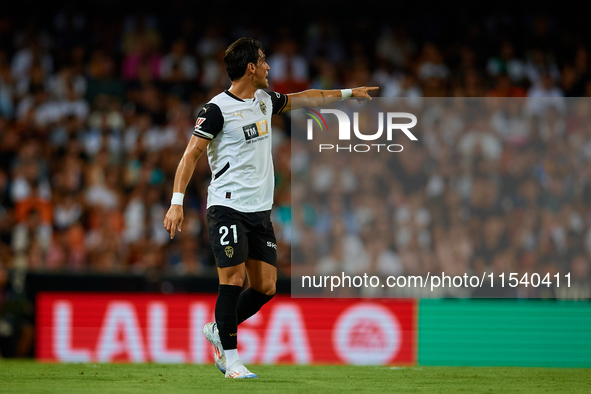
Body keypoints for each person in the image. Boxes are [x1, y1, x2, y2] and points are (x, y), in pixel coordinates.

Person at [163, 37, 377, 379]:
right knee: (232, 279)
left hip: (259, 212)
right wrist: (176, 203)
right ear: (250, 67)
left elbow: (307, 98)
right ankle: (231, 360)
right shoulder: (216, 110)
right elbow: (191, 154)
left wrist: (349, 94)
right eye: (262, 61)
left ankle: (219, 329)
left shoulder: (264, 100)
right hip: (227, 207)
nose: (267, 67)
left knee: (266, 287)